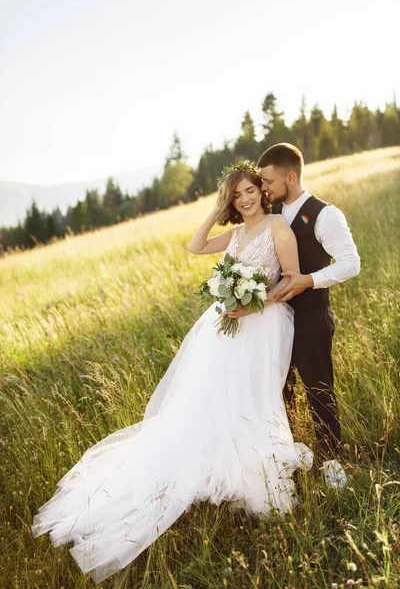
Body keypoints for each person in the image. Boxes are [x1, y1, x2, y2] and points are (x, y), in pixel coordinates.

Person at [32, 162, 313, 583]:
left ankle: (248, 471)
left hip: (260, 324)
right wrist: (216, 212)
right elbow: (196, 247)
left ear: (262, 189)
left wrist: (255, 303)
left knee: (253, 398)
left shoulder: (280, 228)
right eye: (237, 195)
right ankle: (205, 466)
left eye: (250, 190)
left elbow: (289, 280)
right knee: (210, 399)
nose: (246, 199)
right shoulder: (235, 233)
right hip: (223, 326)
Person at [254, 143, 360, 489]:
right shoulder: (269, 214)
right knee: (278, 392)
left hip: (311, 316)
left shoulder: (324, 214)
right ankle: (291, 459)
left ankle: (331, 462)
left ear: (290, 176)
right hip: (272, 321)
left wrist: (310, 281)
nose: (264, 188)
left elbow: (350, 263)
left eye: (268, 181)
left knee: (318, 389)